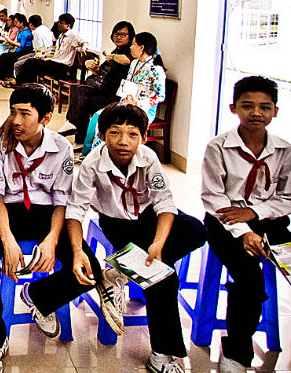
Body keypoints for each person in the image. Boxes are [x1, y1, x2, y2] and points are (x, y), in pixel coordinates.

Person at [0, 84, 110, 373]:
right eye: (12, 113)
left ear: (45, 118)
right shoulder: (0, 142)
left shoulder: (61, 148)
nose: (15, 121)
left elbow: (61, 203)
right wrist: (7, 240)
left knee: (87, 270)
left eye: (24, 114)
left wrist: (51, 239)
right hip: (8, 212)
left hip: (48, 215)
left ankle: (38, 296)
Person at [202, 76, 291, 373]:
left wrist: (255, 214)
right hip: (224, 226)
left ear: (276, 111)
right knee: (249, 284)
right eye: (247, 106)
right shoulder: (218, 147)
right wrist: (244, 230)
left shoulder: (284, 150)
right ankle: (235, 354)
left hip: (271, 226)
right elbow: (213, 198)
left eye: (265, 107)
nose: (256, 113)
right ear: (233, 107)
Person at [67, 103, 206, 373]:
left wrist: (158, 244)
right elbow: (76, 209)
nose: (123, 141)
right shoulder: (93, 164)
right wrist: (77, 250)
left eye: (132, 134)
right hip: (118, 223)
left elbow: (165, 203)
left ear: (142, 137)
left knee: (198, 230)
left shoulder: (148, 158)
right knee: (163, 279)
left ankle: (121, 272)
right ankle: (161, 354)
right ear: (102, 135)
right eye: (115, 133)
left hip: (149, 218)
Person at [84, 31, 165, 153]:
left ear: (141, 47)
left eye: (133, 44)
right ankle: (89, 152)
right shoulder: (134, 63)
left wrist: (138, 103)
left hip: (144, 108)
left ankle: (102, 153)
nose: (130, 47)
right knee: (97, 116)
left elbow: (160, 96)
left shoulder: (155, 69)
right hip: (126, 103)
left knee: (107, 122)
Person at [63, 21, 134, 144]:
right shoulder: (116, 51)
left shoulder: (129, 52)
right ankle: (75, 128)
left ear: (131, 36)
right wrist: (94, 68)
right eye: (116, 34)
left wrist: (111, 57)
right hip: (103, 89)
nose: (118, 37)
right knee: (81, 91)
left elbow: (127, 61)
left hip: (115, 96)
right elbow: (103, 73)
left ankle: (77, 132)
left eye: (123, 35)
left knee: (84, 103)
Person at [16, 13, 87, 85]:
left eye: (61, 23)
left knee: (31, 63)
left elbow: (83, 41)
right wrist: (46, 58)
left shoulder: (72, 35)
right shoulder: (61, 35)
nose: (58, 24)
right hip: (54, 62)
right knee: (31, 63)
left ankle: (20, 83)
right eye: (58, 22)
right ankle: (25, 85)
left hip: (61, 66)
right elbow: (57, 52)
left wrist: (83, 47)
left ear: (68, 25)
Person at [0, 13, 32, 81]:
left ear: (21, 23)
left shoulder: (26, 32)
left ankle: (6, 77)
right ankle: (1, 76)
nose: (15, 24)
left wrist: (9, 41)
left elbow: (22, 45)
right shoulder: (20, 30)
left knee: (7, 57)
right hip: (18, 49)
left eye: (16, 22)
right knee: (3, 56)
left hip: (25, 50)